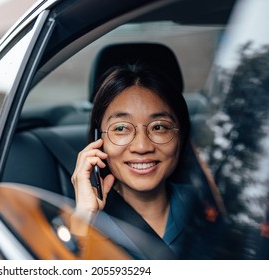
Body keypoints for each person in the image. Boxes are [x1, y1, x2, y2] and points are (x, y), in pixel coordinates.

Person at [71, 62, 202, 258]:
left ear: (181, 136)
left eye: (159, 127)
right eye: (121, 128)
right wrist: (84, 220)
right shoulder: (89, 220)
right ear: (99, 140)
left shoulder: (208, 207)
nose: (142, 147)